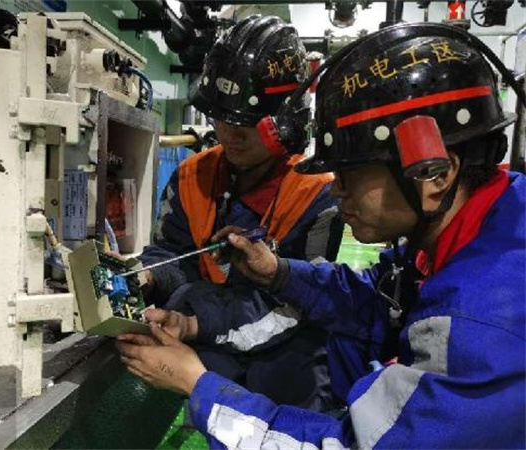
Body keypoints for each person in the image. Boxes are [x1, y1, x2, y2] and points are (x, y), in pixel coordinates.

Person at [116, 22, 526, 448]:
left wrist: (197, 383)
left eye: (350, 173)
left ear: (434, 174)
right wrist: (278, 273)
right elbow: (376, 301)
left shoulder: (481, 328)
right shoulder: (486, 226)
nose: (337, 189)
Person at [134, 15, 343, 410]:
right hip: (209, 349)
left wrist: (193, 324)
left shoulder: (317, 194)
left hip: (287, 371)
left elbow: (296, 306)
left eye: (246, 122)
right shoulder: (191, 176)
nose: (229, 133)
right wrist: (147, 276)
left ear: (286, 123)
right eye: (221, 117)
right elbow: (173, 256)